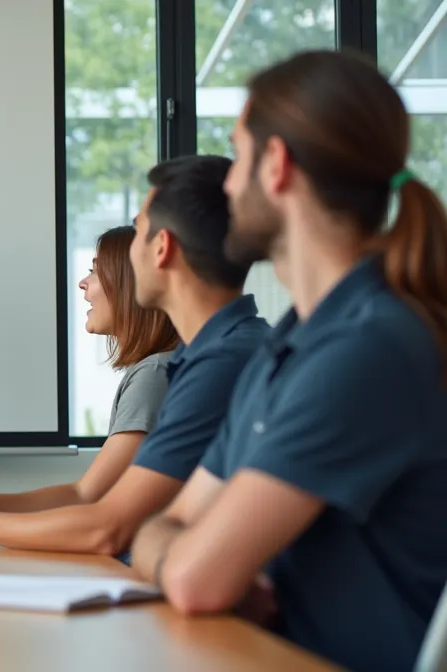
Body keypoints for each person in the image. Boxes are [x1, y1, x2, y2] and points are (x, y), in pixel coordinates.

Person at [129, 50, 447, 672]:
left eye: (238, 154)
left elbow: (197, 577)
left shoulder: (369, 347)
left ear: (275, 166)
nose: (227, 182)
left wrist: (194, 561)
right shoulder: (291, 341)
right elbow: (167, 526)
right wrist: (189, 557)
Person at [0, 156, 268, 561]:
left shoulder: (205, 365)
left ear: (162, 248)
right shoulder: (210, 352)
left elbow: (106, 525)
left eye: (137, 236)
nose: (85, 281)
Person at [0, 225, 177, 532]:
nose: (82, 283)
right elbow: (81, 494)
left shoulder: (153, 376)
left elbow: (88, 497)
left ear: (130, 285)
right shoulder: (152, 370)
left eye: (96, 271)